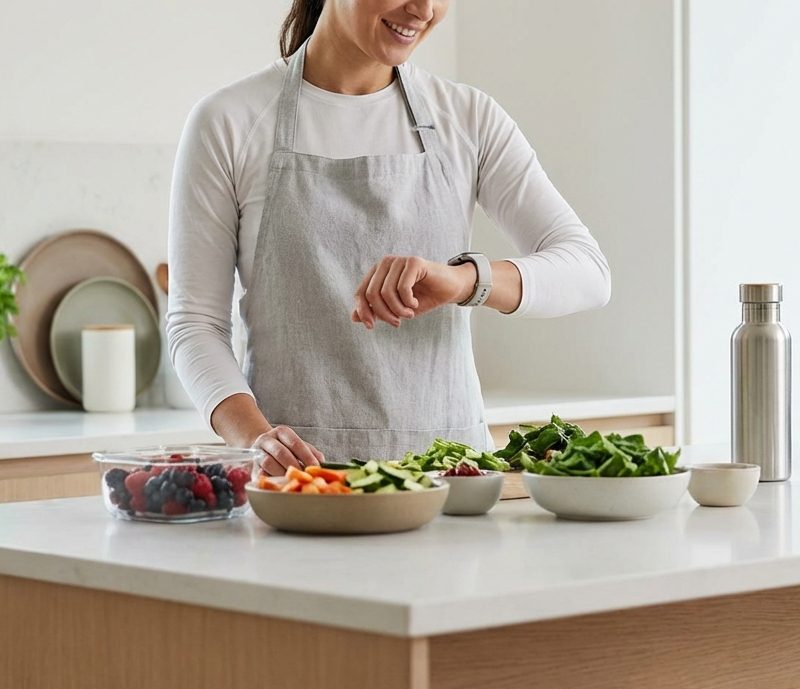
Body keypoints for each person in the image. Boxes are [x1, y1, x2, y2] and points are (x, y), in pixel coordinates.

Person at [166, 0, 611, 476]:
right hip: (304, 487)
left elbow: (587, 272)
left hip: (454, 484)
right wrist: (256, 440)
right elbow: (195, 325)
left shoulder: (468, 117)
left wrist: (466, 279)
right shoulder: (230, 120)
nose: (423, 9)